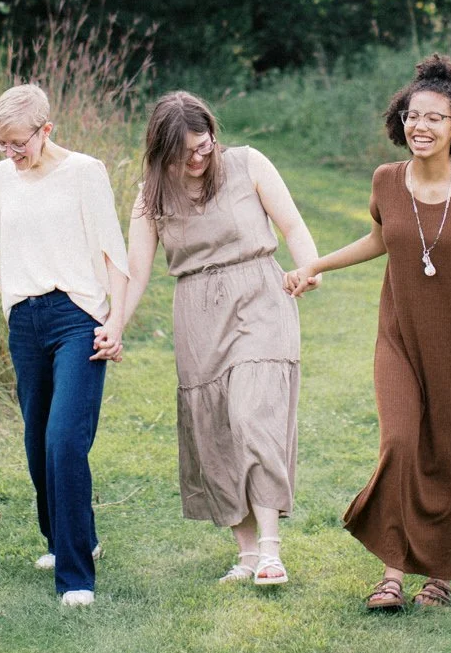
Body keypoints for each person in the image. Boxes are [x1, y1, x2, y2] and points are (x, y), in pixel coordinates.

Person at [288, 55, 451, 612]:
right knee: (400, 444)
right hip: (398, 338)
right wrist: (316, 266)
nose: (419, 126)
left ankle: (441, 573)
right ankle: (393, 572)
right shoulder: (386, 180)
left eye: (433, 118)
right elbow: (380, 240)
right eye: (411, 115)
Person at [112, 92, 319, 586]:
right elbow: (136, 271)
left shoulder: (248, 164)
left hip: (259, 296)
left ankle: (271, 549)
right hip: (198, 312)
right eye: (186, 152)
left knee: (254, 415)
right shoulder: (151, 195)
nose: (199, 157)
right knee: (217, 431)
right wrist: (114, 324)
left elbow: (292, 224)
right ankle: (246, 553)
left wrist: (309, 267)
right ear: (163, 151)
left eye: (204, 145)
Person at [0, 84, 134, 608]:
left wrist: (115, 323)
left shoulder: (85, 172)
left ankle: (75, 579)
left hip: (78, 318)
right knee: (36, 444)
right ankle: (72, 538)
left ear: (45, 130)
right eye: (0, 144)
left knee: (64, 441)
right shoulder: (3, 176)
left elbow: (113, 255)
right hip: (25, 321)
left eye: (18, 143)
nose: (9, 153)